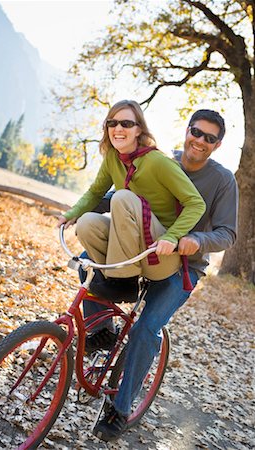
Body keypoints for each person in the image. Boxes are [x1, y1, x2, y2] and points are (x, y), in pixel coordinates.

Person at [68, 108, 238, 442]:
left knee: (146, 328)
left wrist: (195, 240)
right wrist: (84, 210)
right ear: (186, 131)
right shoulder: (163, 161)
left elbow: (228, 234)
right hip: (143, 247)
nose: (200, 141)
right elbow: (125, 197)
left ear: (217, 145)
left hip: (183, 267)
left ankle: (120, 409)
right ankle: (101, 330)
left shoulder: (222, 180)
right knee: (89, 259)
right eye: (196, 132)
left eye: (210, 138)